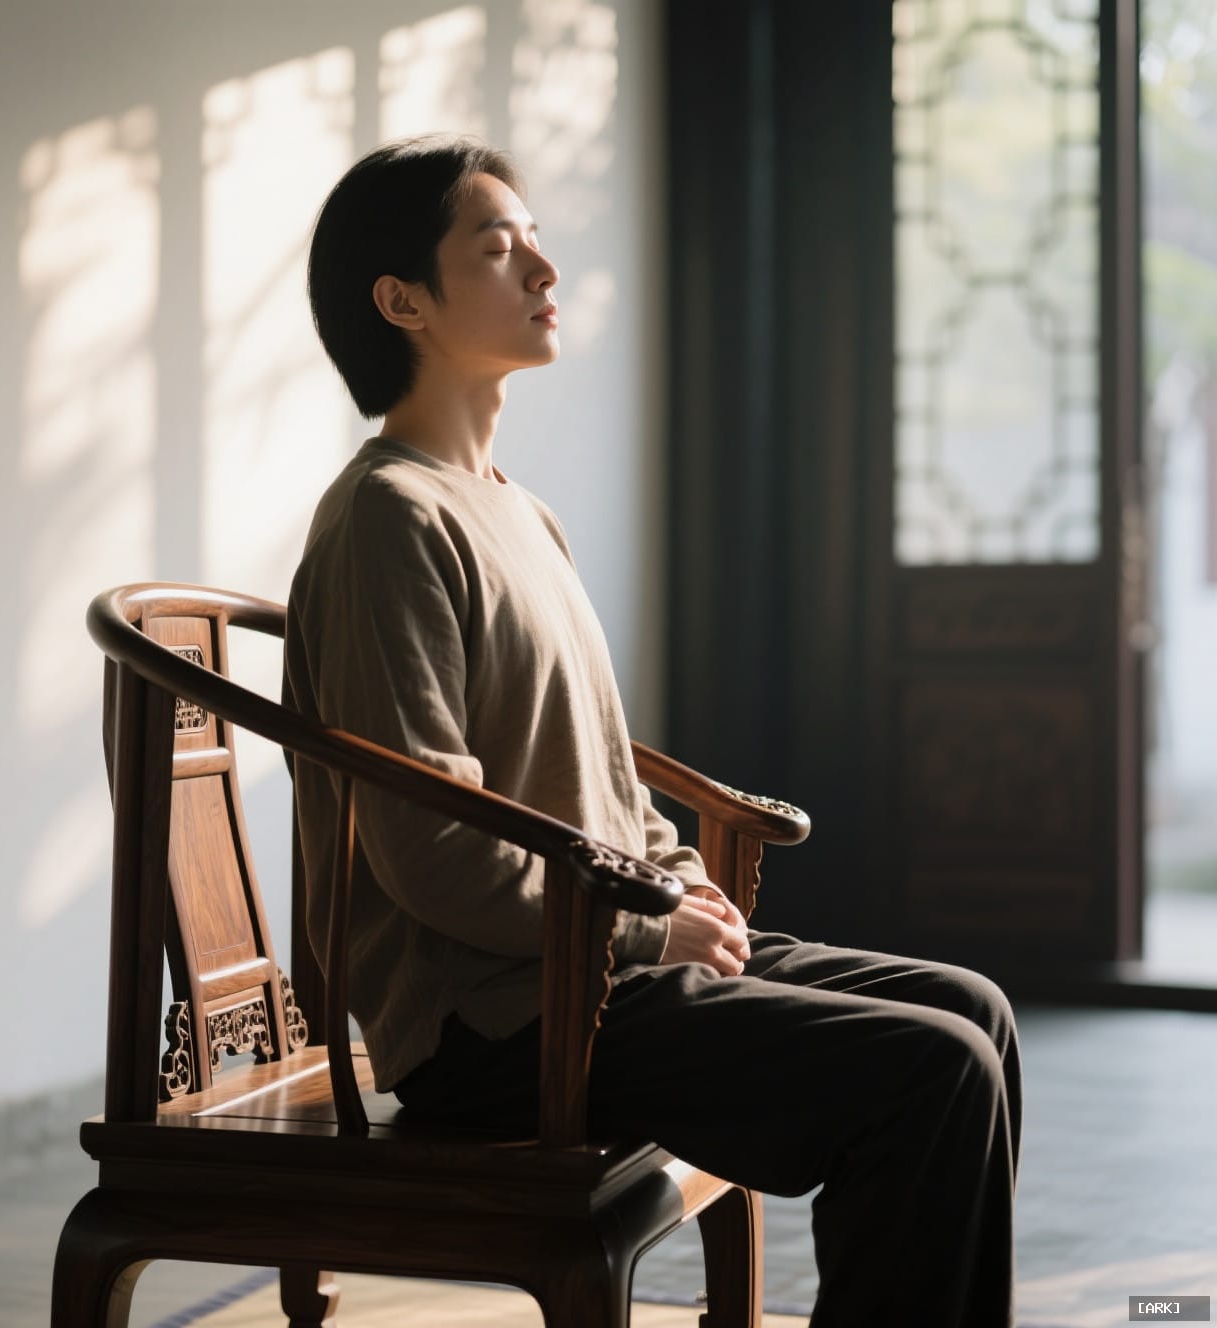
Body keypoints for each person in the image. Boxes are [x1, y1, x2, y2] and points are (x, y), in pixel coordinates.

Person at [284, 136, 1021, 1328]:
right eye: (497, 243)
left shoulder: (519, 511)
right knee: (931, 1074)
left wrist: (680, 891)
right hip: (490, 1021)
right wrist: (643, 925)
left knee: (973, 1010)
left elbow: (605, 795)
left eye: (530, 235)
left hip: (582, 967)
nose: (542, 262)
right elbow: (427, 853)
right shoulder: (386, 519)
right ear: (401, 299)